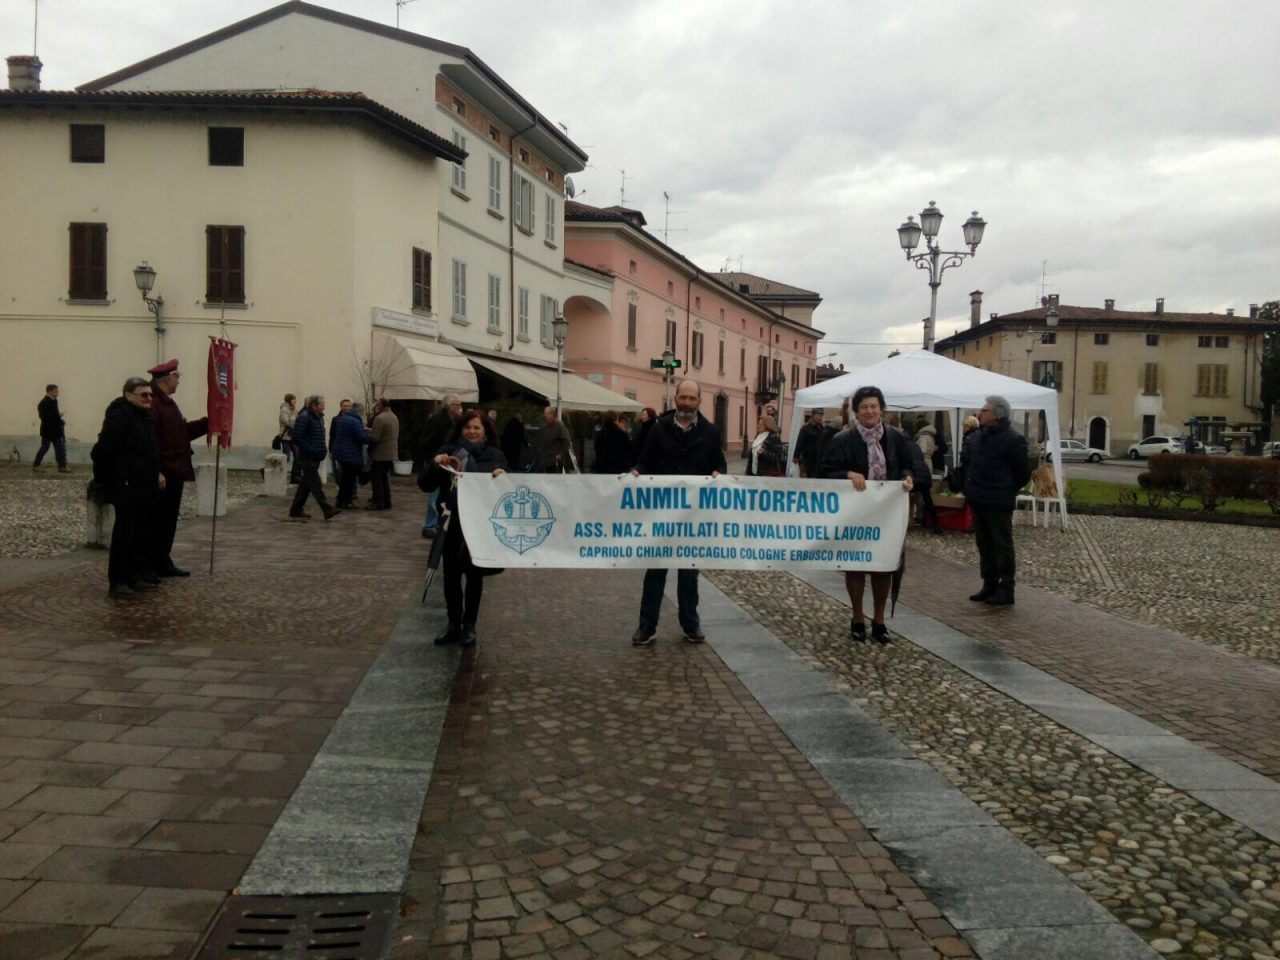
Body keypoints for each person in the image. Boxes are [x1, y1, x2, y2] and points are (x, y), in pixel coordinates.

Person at [820, 386, 926, 644]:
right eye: (864, 407)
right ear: (856, 411)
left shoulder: (896, 438)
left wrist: (908, 477)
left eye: (874, 406)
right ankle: (857, 616)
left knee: (884, 567)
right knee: (855, 566)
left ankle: (879, 620)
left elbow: (915, 465)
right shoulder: (842, 440)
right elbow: (824, 473)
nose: (869, 411)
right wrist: (847, 475)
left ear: (882, 409)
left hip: (888, 515)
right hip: (855, 514)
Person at [630, 379, 726, 646]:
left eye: (691, 398)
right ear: (675, 398)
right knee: (655, 573)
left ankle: (690, 623)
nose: (686, 403)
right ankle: (647, 626)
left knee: (688, 573)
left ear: (699, 401)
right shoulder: (659, 429)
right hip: (661, 515)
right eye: (682, 397)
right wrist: (637, 471)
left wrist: (719, 472)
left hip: (693, 517)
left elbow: (719, 463)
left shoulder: (710, 432)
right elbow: (645, 461)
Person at [420, 409, 507, 648]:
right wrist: (437, 466)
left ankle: (470, 626)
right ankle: (453, 624)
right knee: (450, 576)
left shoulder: (495, 455)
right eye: (467, 427)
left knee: (475, 576)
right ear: (460, 430)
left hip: (480, 525)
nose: (472, 431)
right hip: (452, 523)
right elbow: (425, 484)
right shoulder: (447, 452)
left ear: (485, 430)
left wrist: (503, 477)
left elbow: (506, 491)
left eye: (477, 427)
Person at [91, 378, 163, 598]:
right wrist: (115, 477)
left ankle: (133, 575)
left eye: (150, 395)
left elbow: (150, 450)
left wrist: (156, 472)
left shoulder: (145, 417)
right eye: (144, 395)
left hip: (144, 485)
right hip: (126, 485)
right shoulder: (119, 418)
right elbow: (102, 452)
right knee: (125, 533)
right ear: (128, 395)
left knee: (139, 533)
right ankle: (118, 581)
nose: (149, 398)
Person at [964, 395, 1032, 607]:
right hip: (979, 499)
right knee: (984, 544)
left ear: (996, 414)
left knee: (1001, 545)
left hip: (998, 501)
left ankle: (1006, 587)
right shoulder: (979, 437)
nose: (980, 413)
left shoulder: (1013, 440)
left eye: (984, 410)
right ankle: (989, 583)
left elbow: (1023, 473)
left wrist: (1006, 489)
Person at [148, 359, 208, 578]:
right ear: (167, 379)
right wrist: (157, 470)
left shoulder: (168, 403)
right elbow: (151, 442)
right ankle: (153, 563)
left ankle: (162, 560)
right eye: (177, 377)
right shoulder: (155, 404)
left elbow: (181, 432)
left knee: (168, 520)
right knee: (159, 521)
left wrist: (208, 424)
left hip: (175, 470)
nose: (179, 381)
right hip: (165, 472)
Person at [288, 395, 338, 520]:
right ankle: (327, 508)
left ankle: (295, 509)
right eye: (321, 404)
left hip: (316, 456)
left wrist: (322, 450)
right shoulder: (304, 417)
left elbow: (318, 436)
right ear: (314, 406)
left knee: (306, 484)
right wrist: (310, 449)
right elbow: (296, 437)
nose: (324, 406)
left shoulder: (319, 418)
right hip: (307, 456)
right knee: (315, 483)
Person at [420, 394, 462, 538]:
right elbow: (427, 441)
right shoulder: (438, 421)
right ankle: (429, 525)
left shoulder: (455, 422)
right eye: (457, 405)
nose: (460, 408)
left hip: (448, 463)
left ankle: (437, 523)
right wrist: (435, 457)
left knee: (441, 495)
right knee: (434, 496)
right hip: (438, 462)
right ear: (449, 406)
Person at [331, 402, 371, 509]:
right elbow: (362, 437)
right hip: (350, 453)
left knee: (345, 478)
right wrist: (368, 435)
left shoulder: (343, 418)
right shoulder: (355, 421)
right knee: (349, 479)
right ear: (360, 411)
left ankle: (340, 500)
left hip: (341, 452)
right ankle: (346, 501)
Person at [368, 397, 399, 510]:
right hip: (390, 453)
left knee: (377, 480)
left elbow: (375, 438)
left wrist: (367, 436)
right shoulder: (394, 416)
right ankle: (386, 501)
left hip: (380, 453)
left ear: (381, 404)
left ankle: (378, 502)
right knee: (384, 478)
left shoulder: (380, 418)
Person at [911, 419, 941, 532]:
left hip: (921, 465)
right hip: (928, 464)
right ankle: (930, 520)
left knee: (921, 495)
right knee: (926, 496)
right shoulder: (931, 435)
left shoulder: (923, 436)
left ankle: (919, 517)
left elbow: (921, 451)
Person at [33, 384, 69, 472]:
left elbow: (54, 416)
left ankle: (62, 467)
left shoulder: (54, 400)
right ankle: (35, 466)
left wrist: (60, 421)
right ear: (50, 391)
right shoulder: (44, 402)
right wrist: (58, 416)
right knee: (45, 447)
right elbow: (44, 417)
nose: (58, 393)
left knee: (59, 448)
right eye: (56, 391)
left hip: (54, 430)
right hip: (47, 430)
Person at [537, 405, 573, 473]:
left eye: (546, 414)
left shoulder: (559, 426)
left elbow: (567, 441)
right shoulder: (546, 426)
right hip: (545, 461)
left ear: (551, 414)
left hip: (555, 462)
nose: (544, 415)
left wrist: (560, 454)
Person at [793, 409, 825, 477]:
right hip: (808, 458)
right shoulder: (806, 428)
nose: (820, 417)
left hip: (819, 458)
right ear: (813, 415)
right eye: (819, 415)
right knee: (809, 476)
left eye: (822, 415)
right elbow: (800, 442)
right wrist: (796, 456)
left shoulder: (821, 428)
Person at [328, 398, 352, 485]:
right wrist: (331, 449)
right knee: (339, 471)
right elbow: (332, 435)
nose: (346, 408)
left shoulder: (354, 419)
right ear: (341, 407)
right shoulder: (335, 419)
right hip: (338, 449)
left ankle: (352, 492)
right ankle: (341, 488)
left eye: (348, 406)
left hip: (350, 450)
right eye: (345, 406)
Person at [278, 393, 298, 480]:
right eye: (294, 399)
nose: (295, 401)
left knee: (298, 456)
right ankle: (275, 472)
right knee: (286, 457)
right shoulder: (284, 409)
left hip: (293, 436)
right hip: (286, 437)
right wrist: (294, 416)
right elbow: (287, 422)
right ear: (289, 400)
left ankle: (294, 476)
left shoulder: (293, 409)